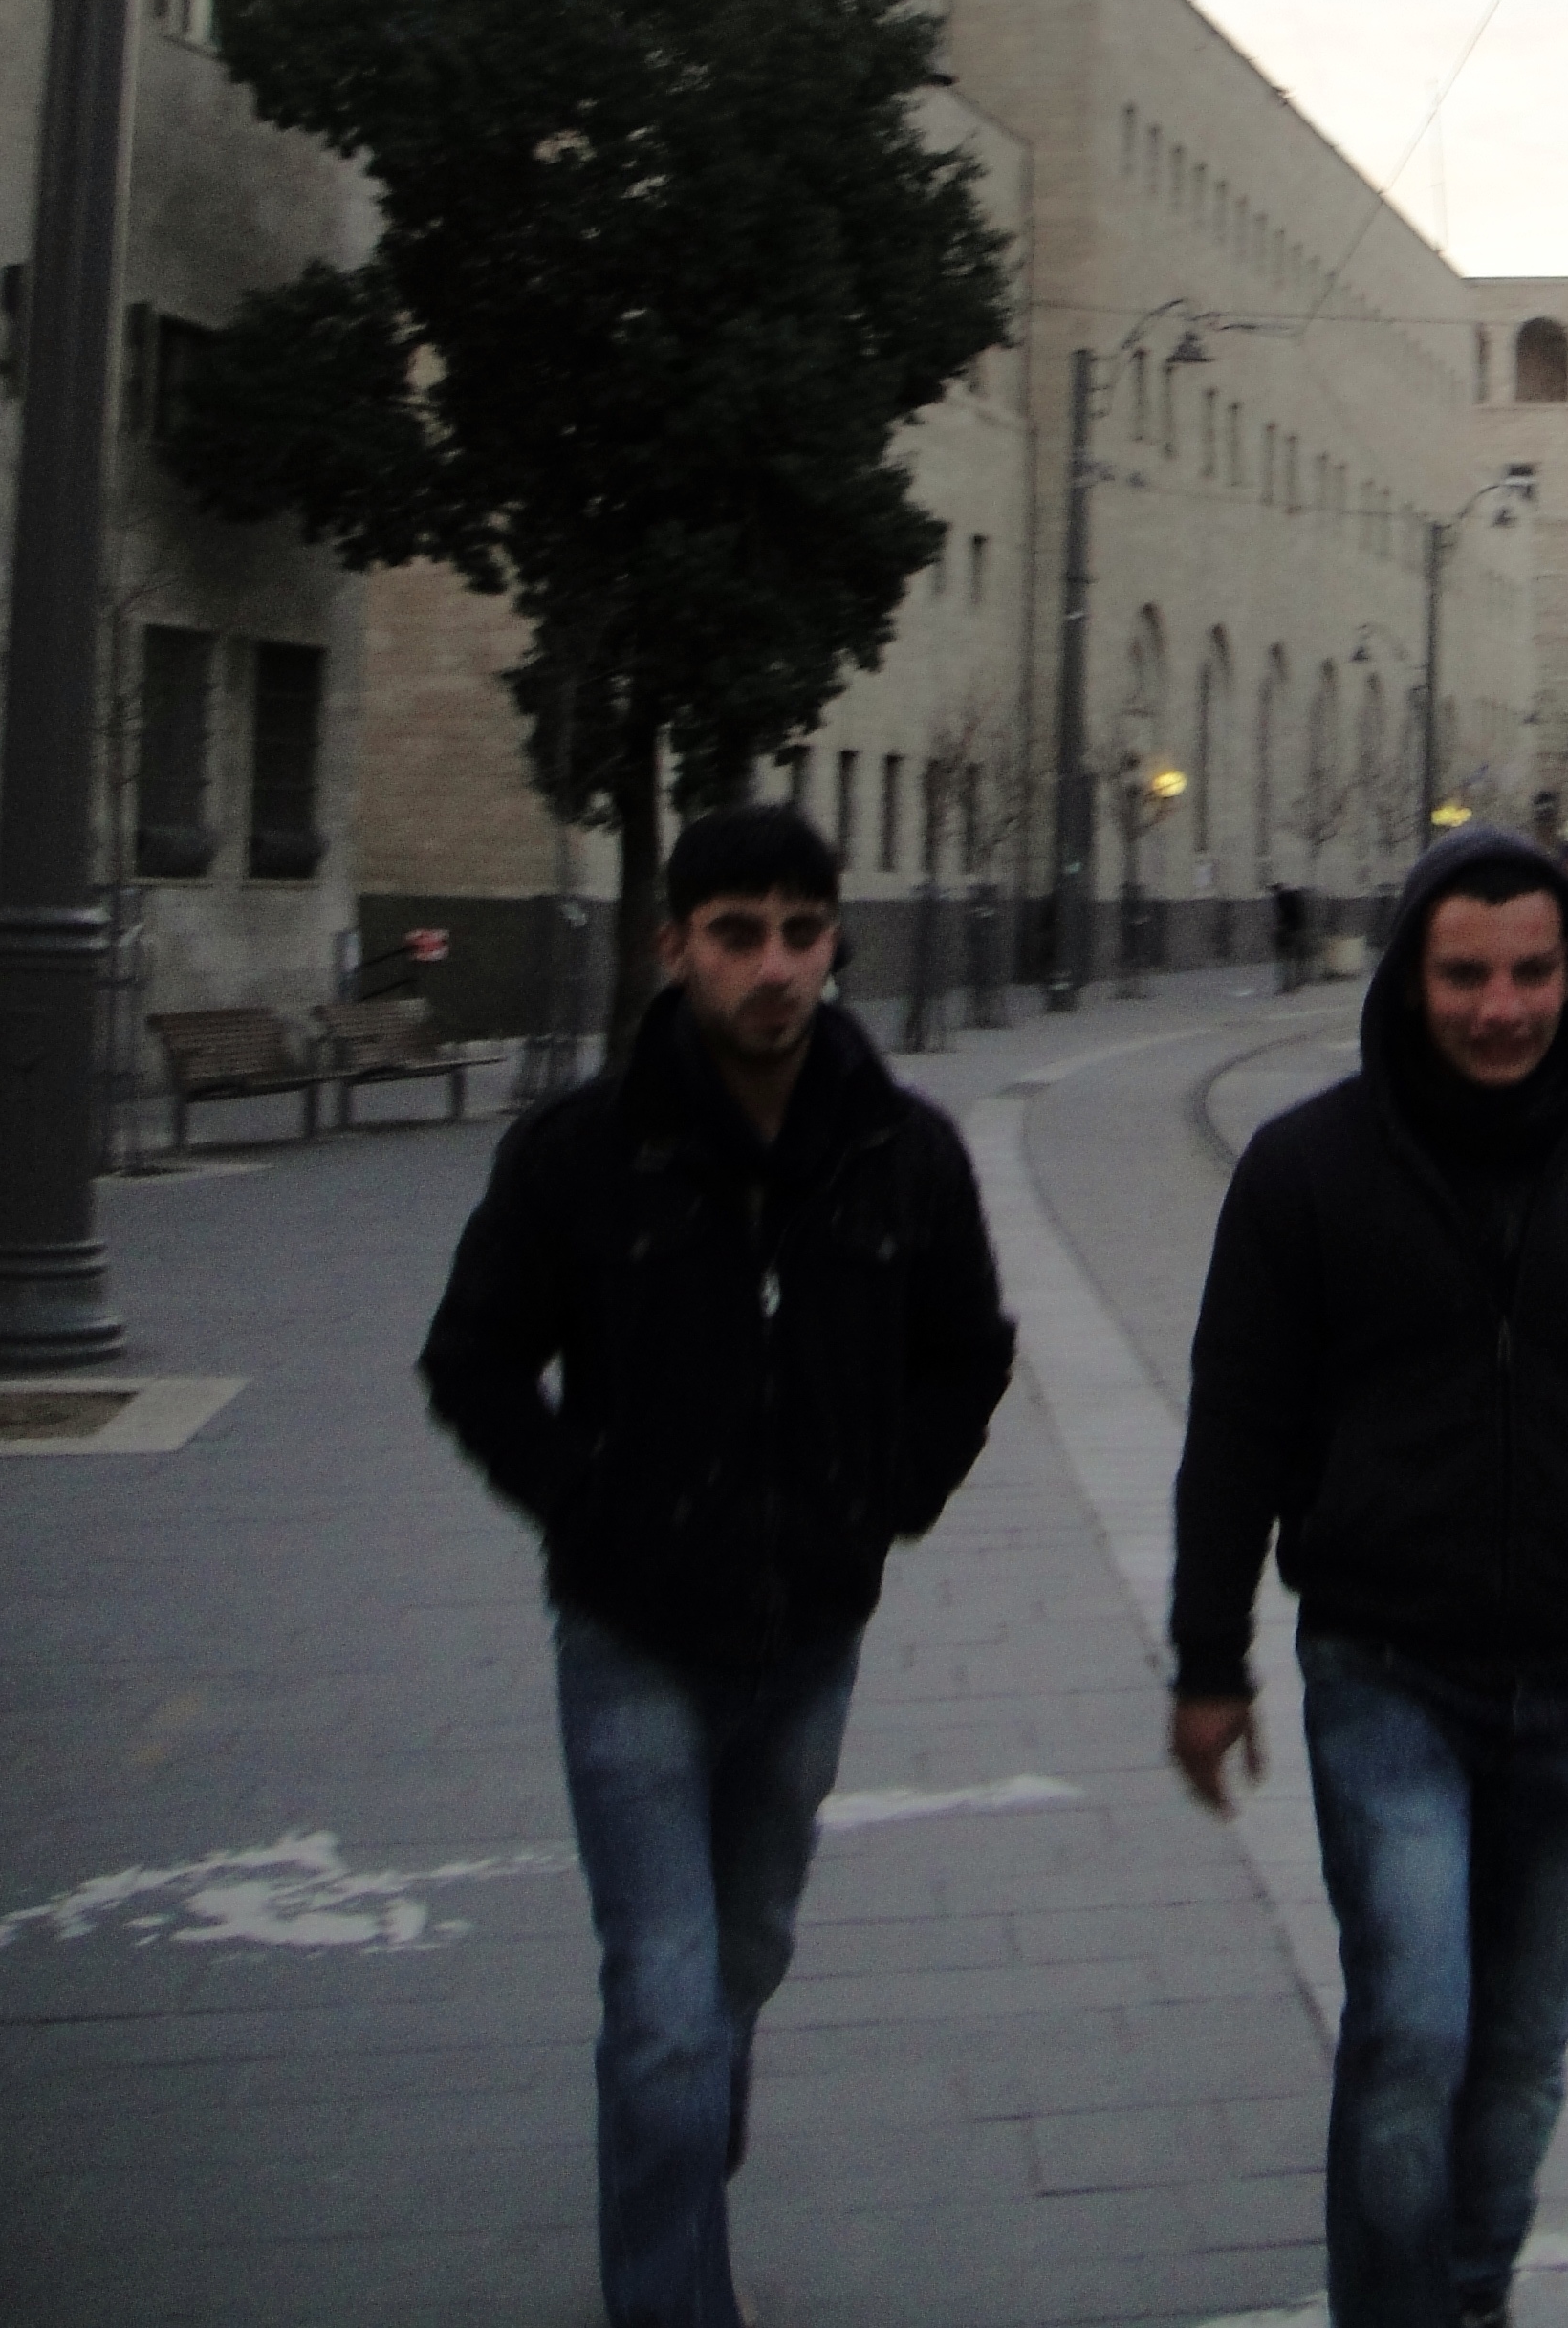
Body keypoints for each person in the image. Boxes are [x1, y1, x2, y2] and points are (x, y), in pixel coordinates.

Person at [422, 803, 1015, 2328]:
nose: (774, 967)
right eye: (738, 935)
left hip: (810, 1636)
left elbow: (968, 1350)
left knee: (741, 1955)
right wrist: (585, 1506)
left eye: (801, 934)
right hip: (631, 1637)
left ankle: (683, 2130)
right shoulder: (580, 1154)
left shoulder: (902, 1152)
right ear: (672, 946)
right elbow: (473, 1358)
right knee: (667, 2001)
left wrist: (888, 1500)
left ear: (835, 944)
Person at [1167, 822, 1568, 2328]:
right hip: (1386, 1669)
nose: (1502, 1008)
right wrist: (1210, 1659)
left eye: (1533, 973)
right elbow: (1237, 1425)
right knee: (1412, 2030)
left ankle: (1469, 2292)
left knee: (1524, 2049)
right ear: (1411, 981)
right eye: (1466, 975)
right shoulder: (1308, 1168)